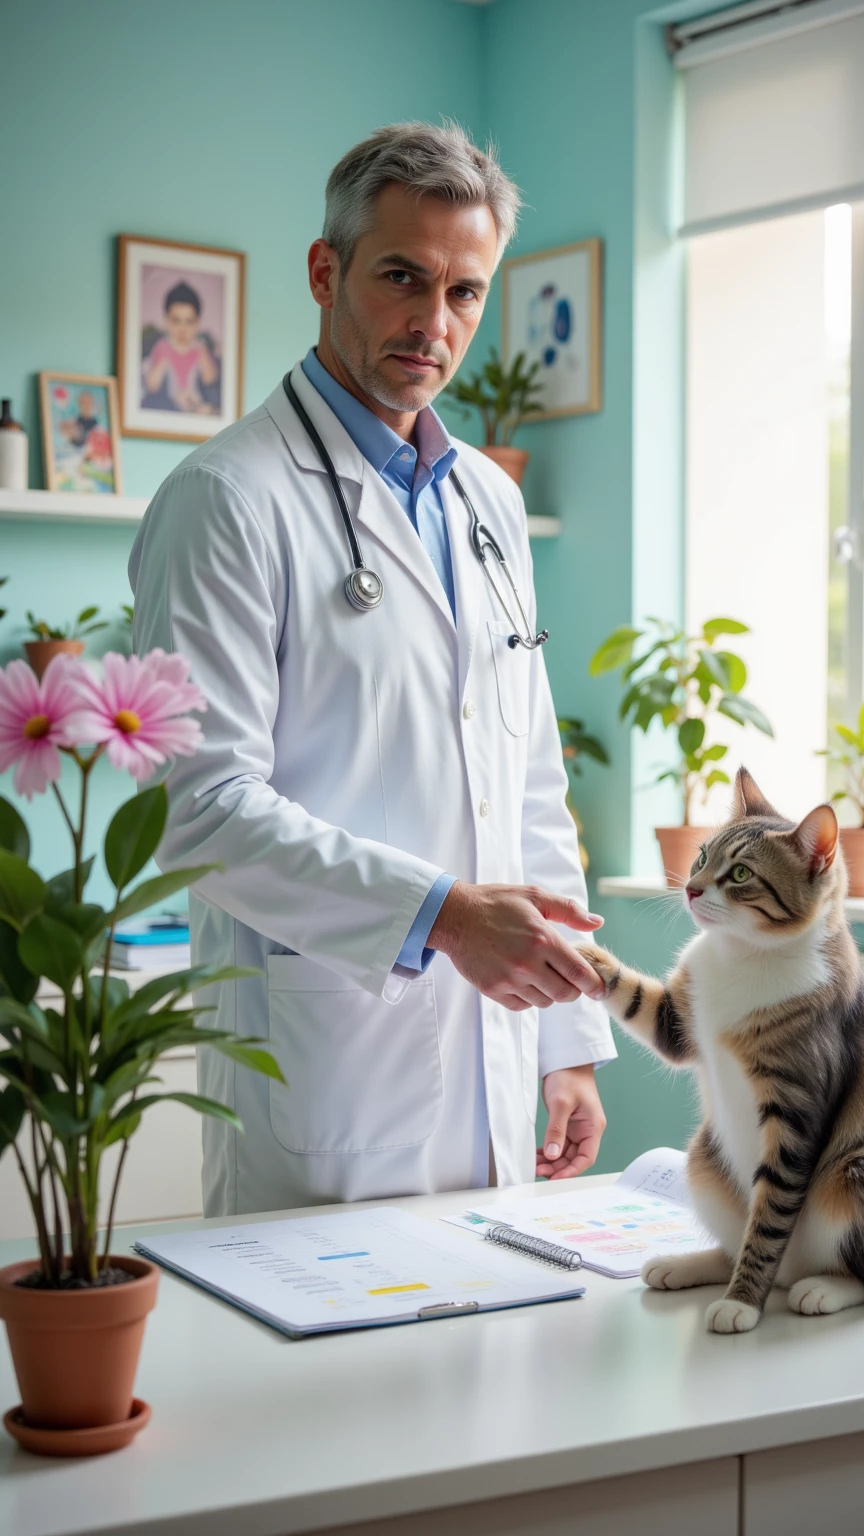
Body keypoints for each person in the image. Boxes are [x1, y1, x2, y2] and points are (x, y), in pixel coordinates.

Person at [129, 122, 615, 1218]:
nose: (432, 324)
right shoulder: (226, 500)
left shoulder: (488, 503)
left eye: (463, 293)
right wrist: (443, 917)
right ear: (324, 270)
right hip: (328, 1075)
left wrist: (563, 1040)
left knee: (504, 1376)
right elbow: (197, 811)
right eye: (402, 276)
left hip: (493, 1060)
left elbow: (529, 782)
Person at [143, 281, 220, 413]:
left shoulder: (199, 348)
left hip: (194, 398)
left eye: (189, 322)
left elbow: (210, 378)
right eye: (176, 321)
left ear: (197, 324)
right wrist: (162, 363)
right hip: (170, 400)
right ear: (166, 321)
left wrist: (203, 356)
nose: (182, 329)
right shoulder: (163, 347)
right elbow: (152, 384)